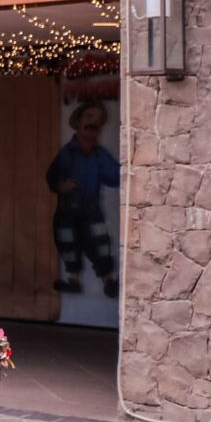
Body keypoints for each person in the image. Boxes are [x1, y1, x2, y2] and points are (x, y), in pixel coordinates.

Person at [45, 100, 121, 298]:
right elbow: (52, 176)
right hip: (68, 208)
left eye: (98, 121)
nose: (92, 124)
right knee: (68, 242)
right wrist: (60, 185)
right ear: (78, 122)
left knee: (100, 242)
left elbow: (114, 175)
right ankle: (74, 280)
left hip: (90, 208)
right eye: (88, 118)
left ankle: (108, 281)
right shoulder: (67, 153)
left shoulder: (100, 155)